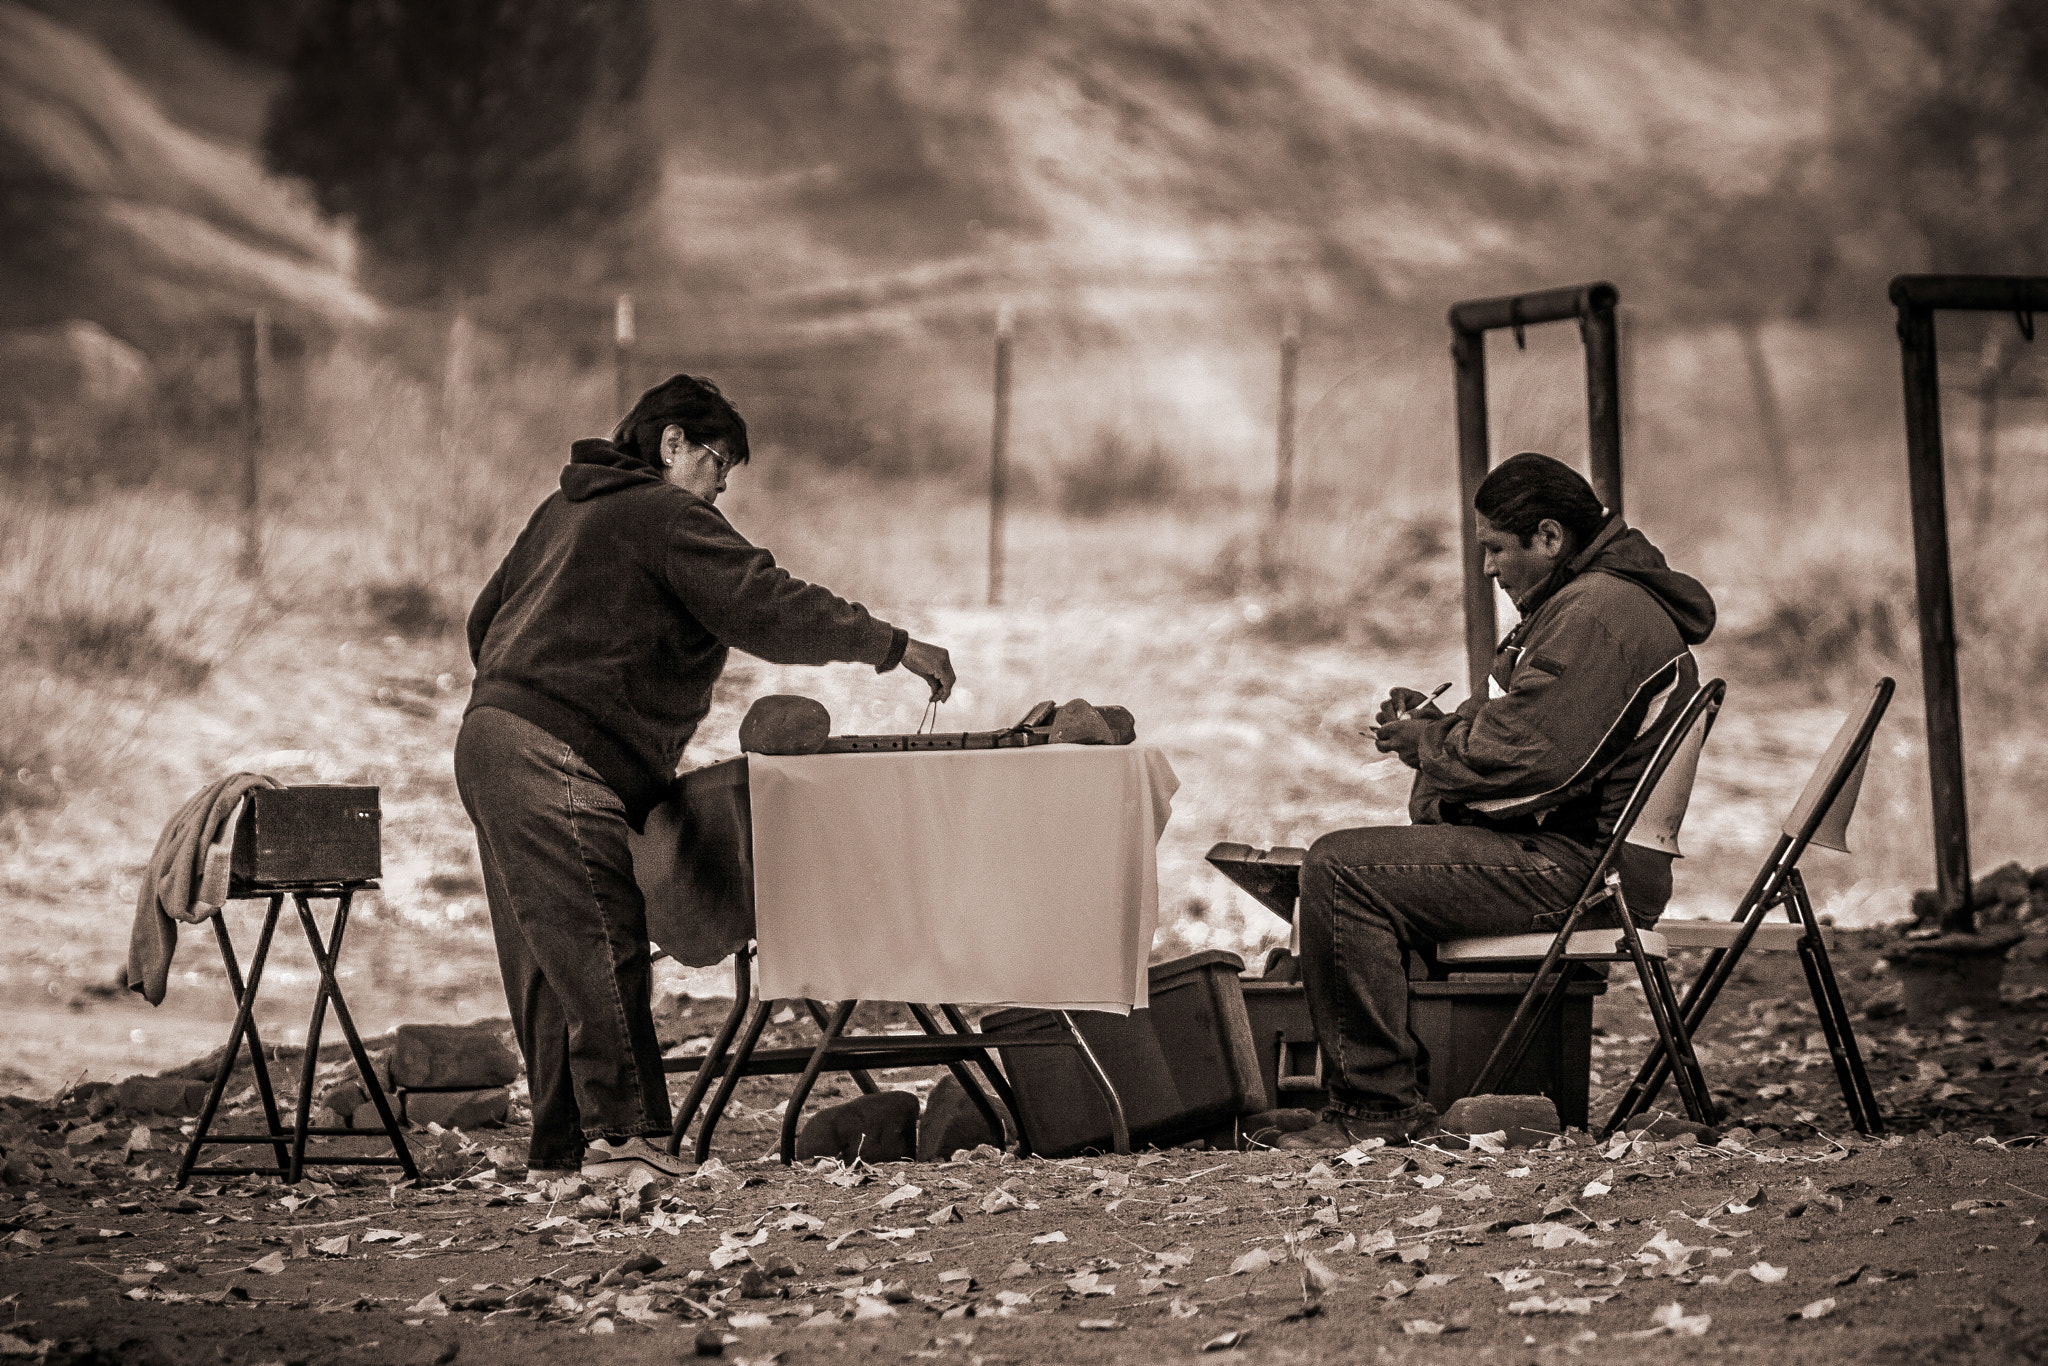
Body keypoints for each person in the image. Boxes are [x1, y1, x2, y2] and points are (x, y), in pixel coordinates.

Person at [455, 374, 956, 1182]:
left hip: (489, 738)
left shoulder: (563, 511)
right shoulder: (666, 515)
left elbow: (486, 621)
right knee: (599, 938)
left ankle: (561, 1153)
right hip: (553, 748)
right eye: (717, 459)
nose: (724, 482)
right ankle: (629, 1144)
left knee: (550, 957)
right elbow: (766, 604)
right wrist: (893, 647)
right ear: (672, 444)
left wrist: (537, 687)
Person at [1282, 452, 1715, 1148]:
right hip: (1579, 856)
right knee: (1351, 865)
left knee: (1338, 871)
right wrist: (1437, 728)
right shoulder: (1591, 601)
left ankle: (1376, 1110)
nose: (1487, 568)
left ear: (1549, 537)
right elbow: (1530, 730)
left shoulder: (1599, 612)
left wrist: (1430, 745)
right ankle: (1398, 1095)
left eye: (1494, 548)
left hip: (1582, 871)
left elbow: (1529, 761)